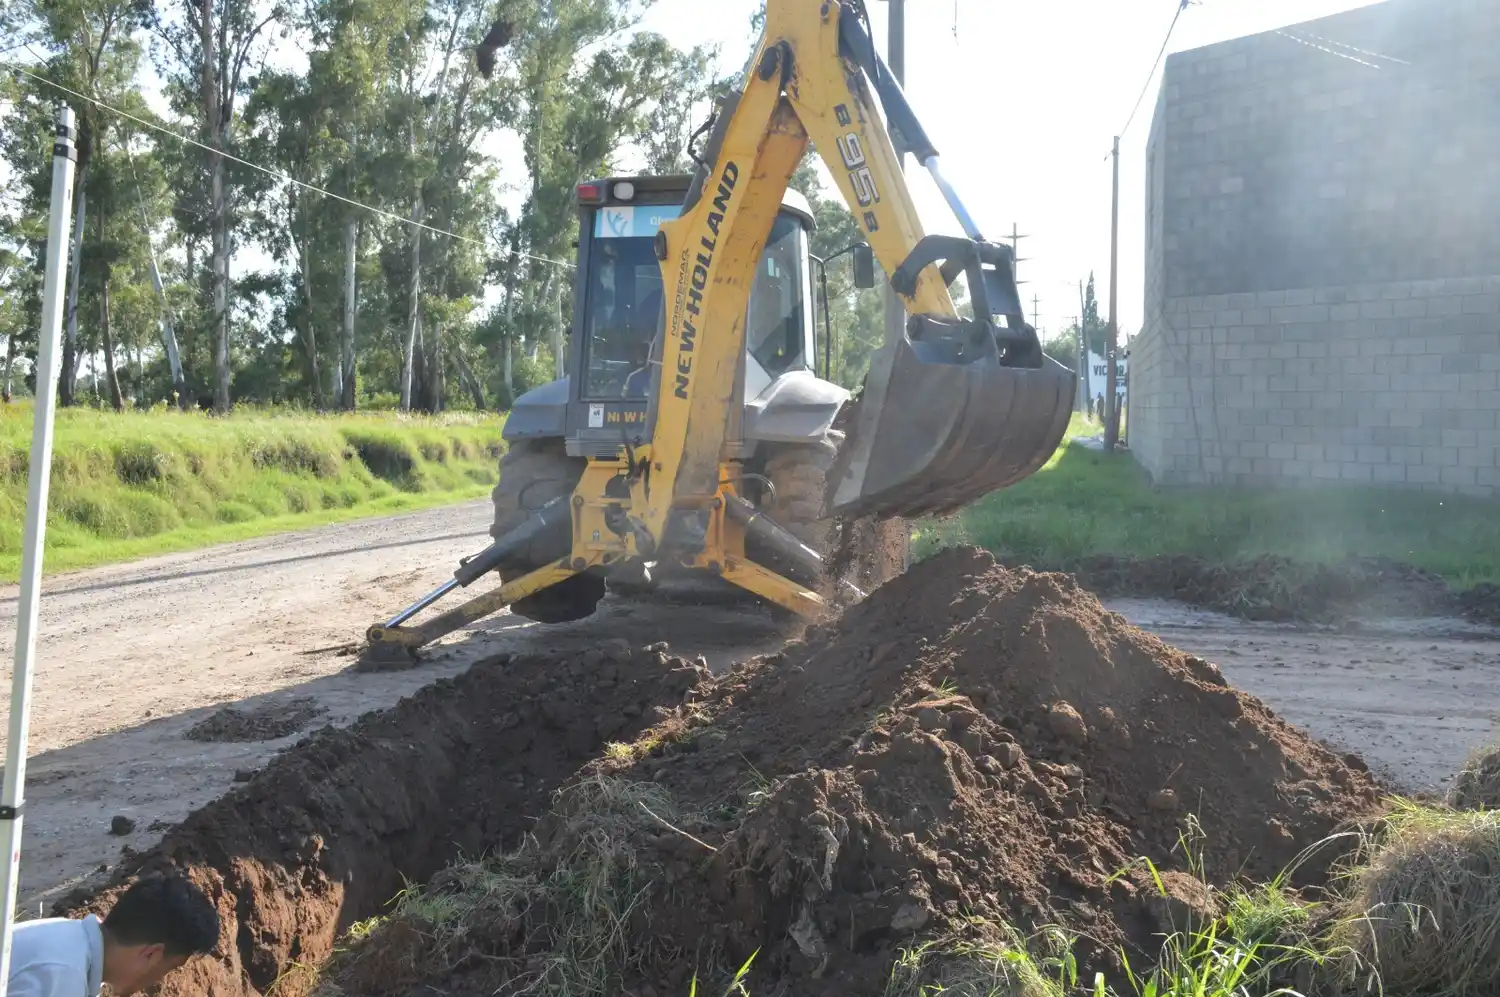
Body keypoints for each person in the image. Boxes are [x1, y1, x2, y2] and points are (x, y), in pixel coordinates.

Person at [8, 873, 220, 997]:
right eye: (170, 968)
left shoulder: (70, 941)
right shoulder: (63, 976)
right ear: (151, 954)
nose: (160, 979)